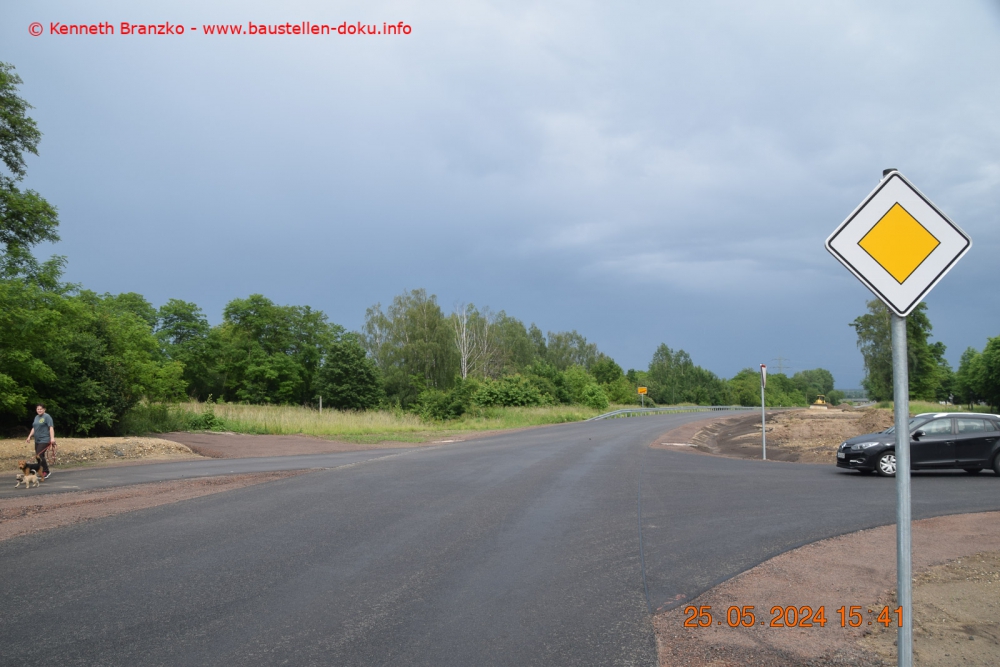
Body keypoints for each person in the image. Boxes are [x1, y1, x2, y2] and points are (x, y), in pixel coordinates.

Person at [26, 403, 55, 480]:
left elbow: (51, 427)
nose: (39, 410)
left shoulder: (47, 417)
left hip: (45, 439)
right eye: (38, 409)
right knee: (38, 456)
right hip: (37, 440)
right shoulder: (36, 417)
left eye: (41, 409)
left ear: (44, 409)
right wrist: (29, 436)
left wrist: (52, 438)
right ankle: (40, 471)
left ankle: (46, 471)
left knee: (39, 455)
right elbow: (34, 428)